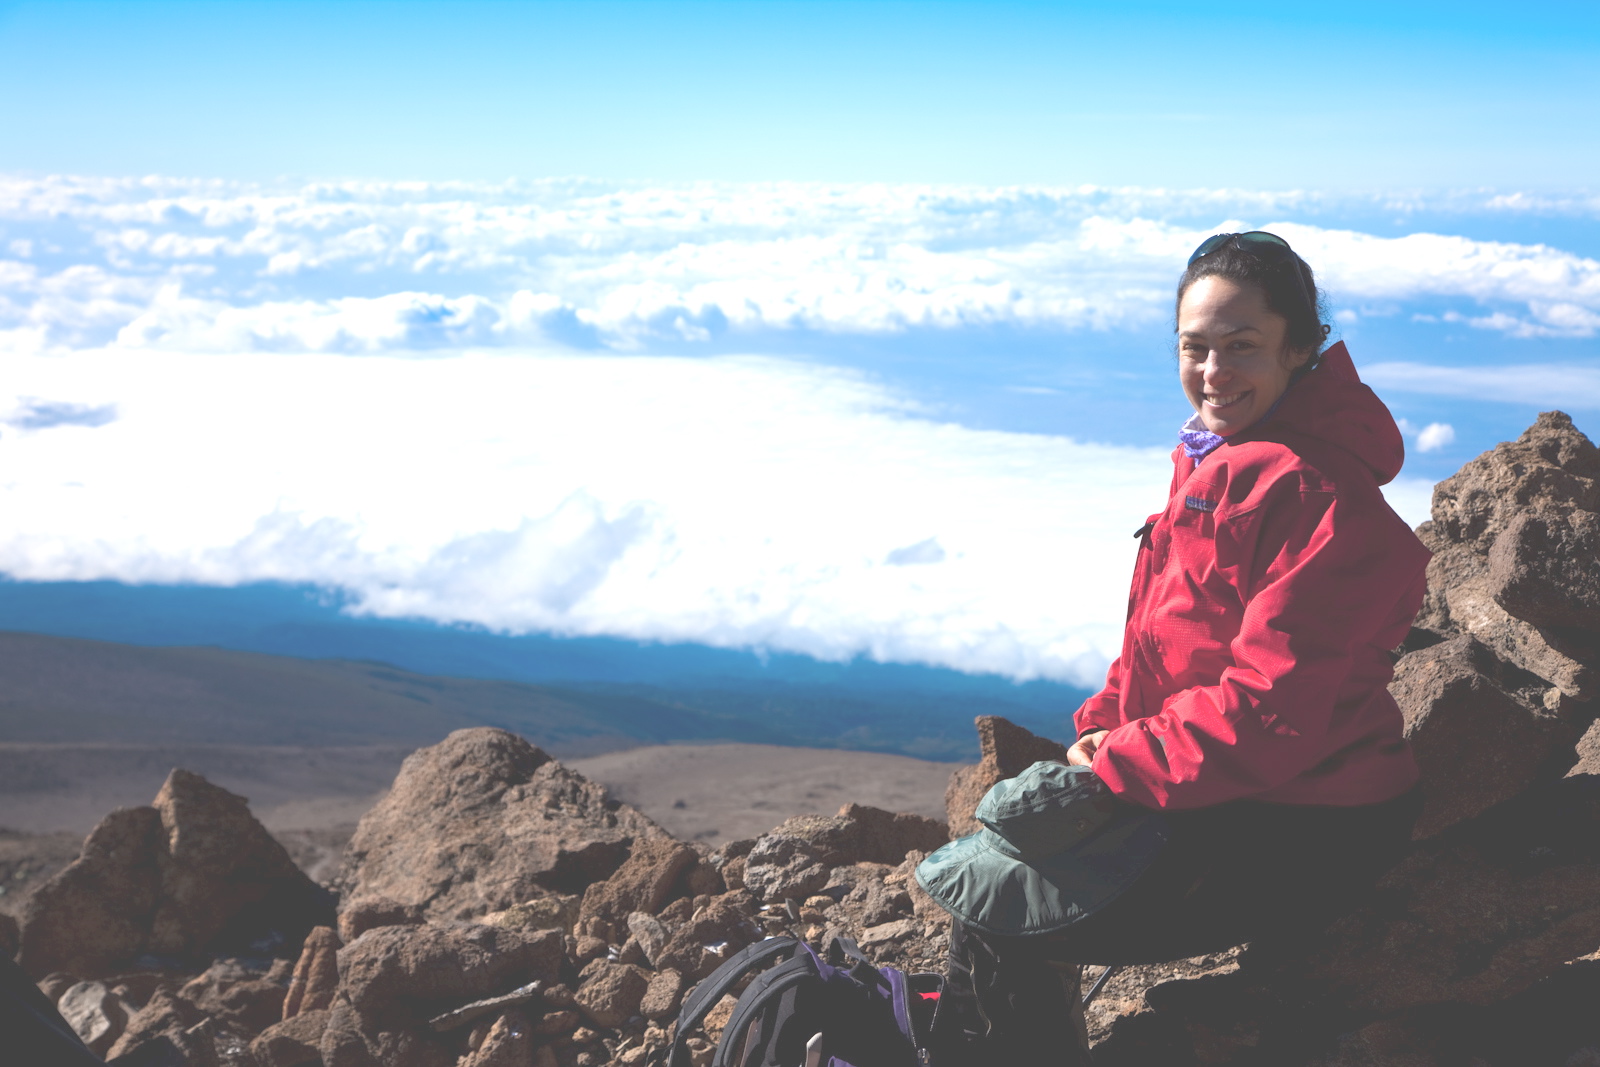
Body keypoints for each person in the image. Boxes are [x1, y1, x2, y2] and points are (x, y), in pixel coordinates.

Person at [918, 231, 1430, 1065]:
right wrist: (1103, 724)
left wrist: (1113, 763)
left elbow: (1266, 712)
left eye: (1243, 345)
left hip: (1309, 819)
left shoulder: (1313, 494)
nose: (1213, 370)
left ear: (1300, 348)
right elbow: (1162, 641)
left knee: (1005, 908)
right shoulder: (1216, 458)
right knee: (990, 876)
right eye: (1195, 347)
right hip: (1217, 779)